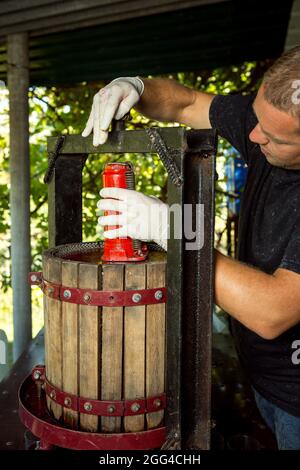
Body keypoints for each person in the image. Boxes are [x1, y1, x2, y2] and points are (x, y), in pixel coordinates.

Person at [82, 46, 300, 449]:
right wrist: (135, 86)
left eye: (271, 137)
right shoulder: (270, 119)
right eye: (256, 120)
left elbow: (273, 311)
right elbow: (185, 104)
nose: (252, 136)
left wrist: (175, 228)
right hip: (263, 377)